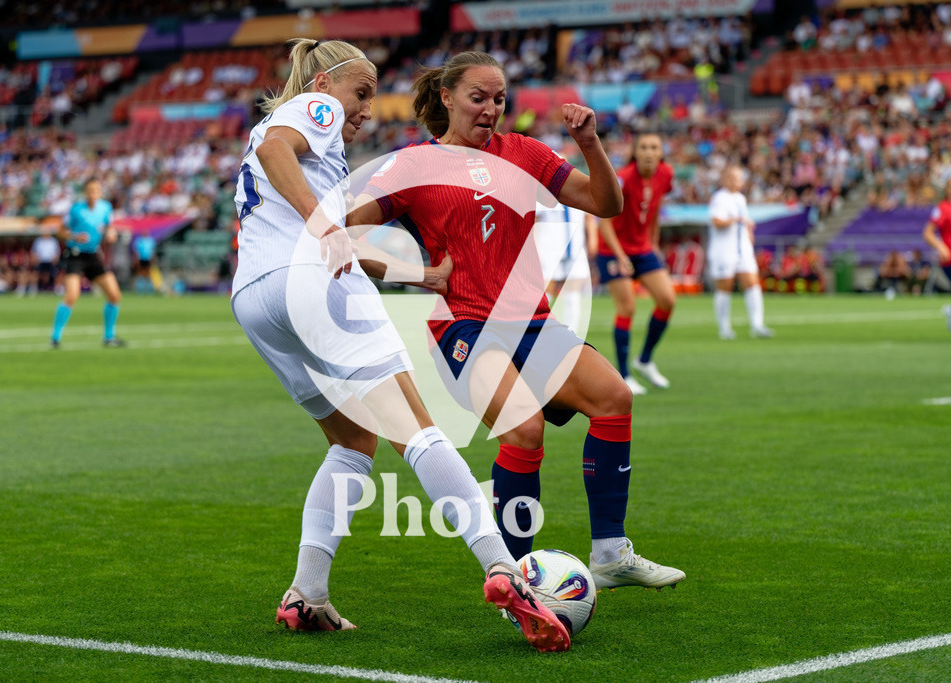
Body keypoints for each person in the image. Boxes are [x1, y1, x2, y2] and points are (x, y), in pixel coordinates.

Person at [229, 38, 570, 651]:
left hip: (255, 297)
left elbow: (321, 226)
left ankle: (308, 594)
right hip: (308, 283)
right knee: (418, 428)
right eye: (362, 91)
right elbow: (294, 172)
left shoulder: (279, 137)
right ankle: (504, 569)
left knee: (353, 442)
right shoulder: (316, 109)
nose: (367, 107)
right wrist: (321, 220)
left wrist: (415, 276)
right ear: (326, 83)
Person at [352, 51, 685, 591]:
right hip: (463, 326)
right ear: (447, 97)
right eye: (477, 98)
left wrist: (590, 143)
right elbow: (345, 229)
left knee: (614, 399)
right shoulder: (412, 164)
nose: (490, 109)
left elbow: (606, 202)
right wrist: (414, 273)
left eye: (499, 99)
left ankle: (609, 552)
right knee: (524, 429)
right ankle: (513, 579)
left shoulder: (524, 152)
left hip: (532, 323)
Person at [594, 133, 676, 395]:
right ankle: (624, 375)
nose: (649, 152)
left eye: (654, 147)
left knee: (667, 300)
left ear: (661, 152)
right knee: (627, 307)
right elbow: (604, 221)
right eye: (644, 147)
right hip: (613, 249)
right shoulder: (624, 177)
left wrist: (654, 244)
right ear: (635, 152)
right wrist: (620, 256)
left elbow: (655, 208)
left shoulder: (666, 174)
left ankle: (644, 360)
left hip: (642, 249)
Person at [50, 178, 125, 348]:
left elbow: (108, 226)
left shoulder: (105, 208)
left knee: (114, 295)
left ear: (99, 192)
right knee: (71, 296)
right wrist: (74, 237)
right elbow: (60, 231)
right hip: (75, 256)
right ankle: (55, 337)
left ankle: (109, 337)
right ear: (85, 192)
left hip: (93, 256)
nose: (92, 193)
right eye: (89, 190)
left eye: (95, 190)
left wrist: (111, 234)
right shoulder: (76, 209)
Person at [708, 166, 774, 340]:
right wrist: (735, 220)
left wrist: (749, 237)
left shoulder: (741, 199)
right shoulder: (719, 198)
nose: (736, 181)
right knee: (725, 286)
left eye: (739, 178)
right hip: (724, 250)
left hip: (742, 249)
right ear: (725, 179)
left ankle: (757, 325)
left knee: (752, 283)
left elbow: (745, 223)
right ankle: (724, 328)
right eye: (733, 177)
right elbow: (716, 221)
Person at [533, 198, 592, 333]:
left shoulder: (577, 191)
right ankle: (535, 331)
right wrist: (534, 248)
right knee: (544, 293)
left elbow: (588, 217)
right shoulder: (543, 193)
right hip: (548, 250)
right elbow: (533, 221)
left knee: (573, 293)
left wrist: (591, 239)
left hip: (575, 250)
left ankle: (571, 335)